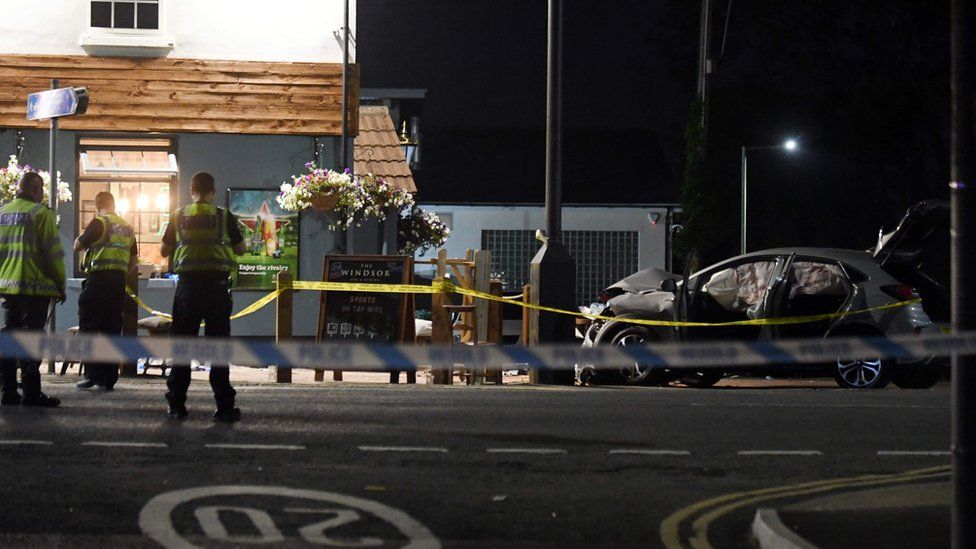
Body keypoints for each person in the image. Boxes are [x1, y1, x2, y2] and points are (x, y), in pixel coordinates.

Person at [160, 172, 246, 422]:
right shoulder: (222, 216)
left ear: (191, 190)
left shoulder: (179, 215)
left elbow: (164, 250)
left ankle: (176, 404)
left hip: (187, 289)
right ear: (212, 192)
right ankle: (223, 407)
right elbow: (240, 249)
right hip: (217, 289)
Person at [0, 172, 65, 407]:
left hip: (9, 287)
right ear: (37, 189)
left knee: (9, 336)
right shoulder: (41, 214)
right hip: (36, 289)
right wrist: (60, 284)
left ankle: (7, 390)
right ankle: (31, 392)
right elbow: (53, 255)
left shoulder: (3, 212)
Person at [73, 192, 137, 390]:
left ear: (96, 205)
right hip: (117, 282)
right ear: (114, 204)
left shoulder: (99, 223)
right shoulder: (127, 227)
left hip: (98, 281)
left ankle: (92, 375)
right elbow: (134, 260)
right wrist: (121, 274)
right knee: (111, 328)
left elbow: (77, 245)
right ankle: (109, 378)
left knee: (89, 327)